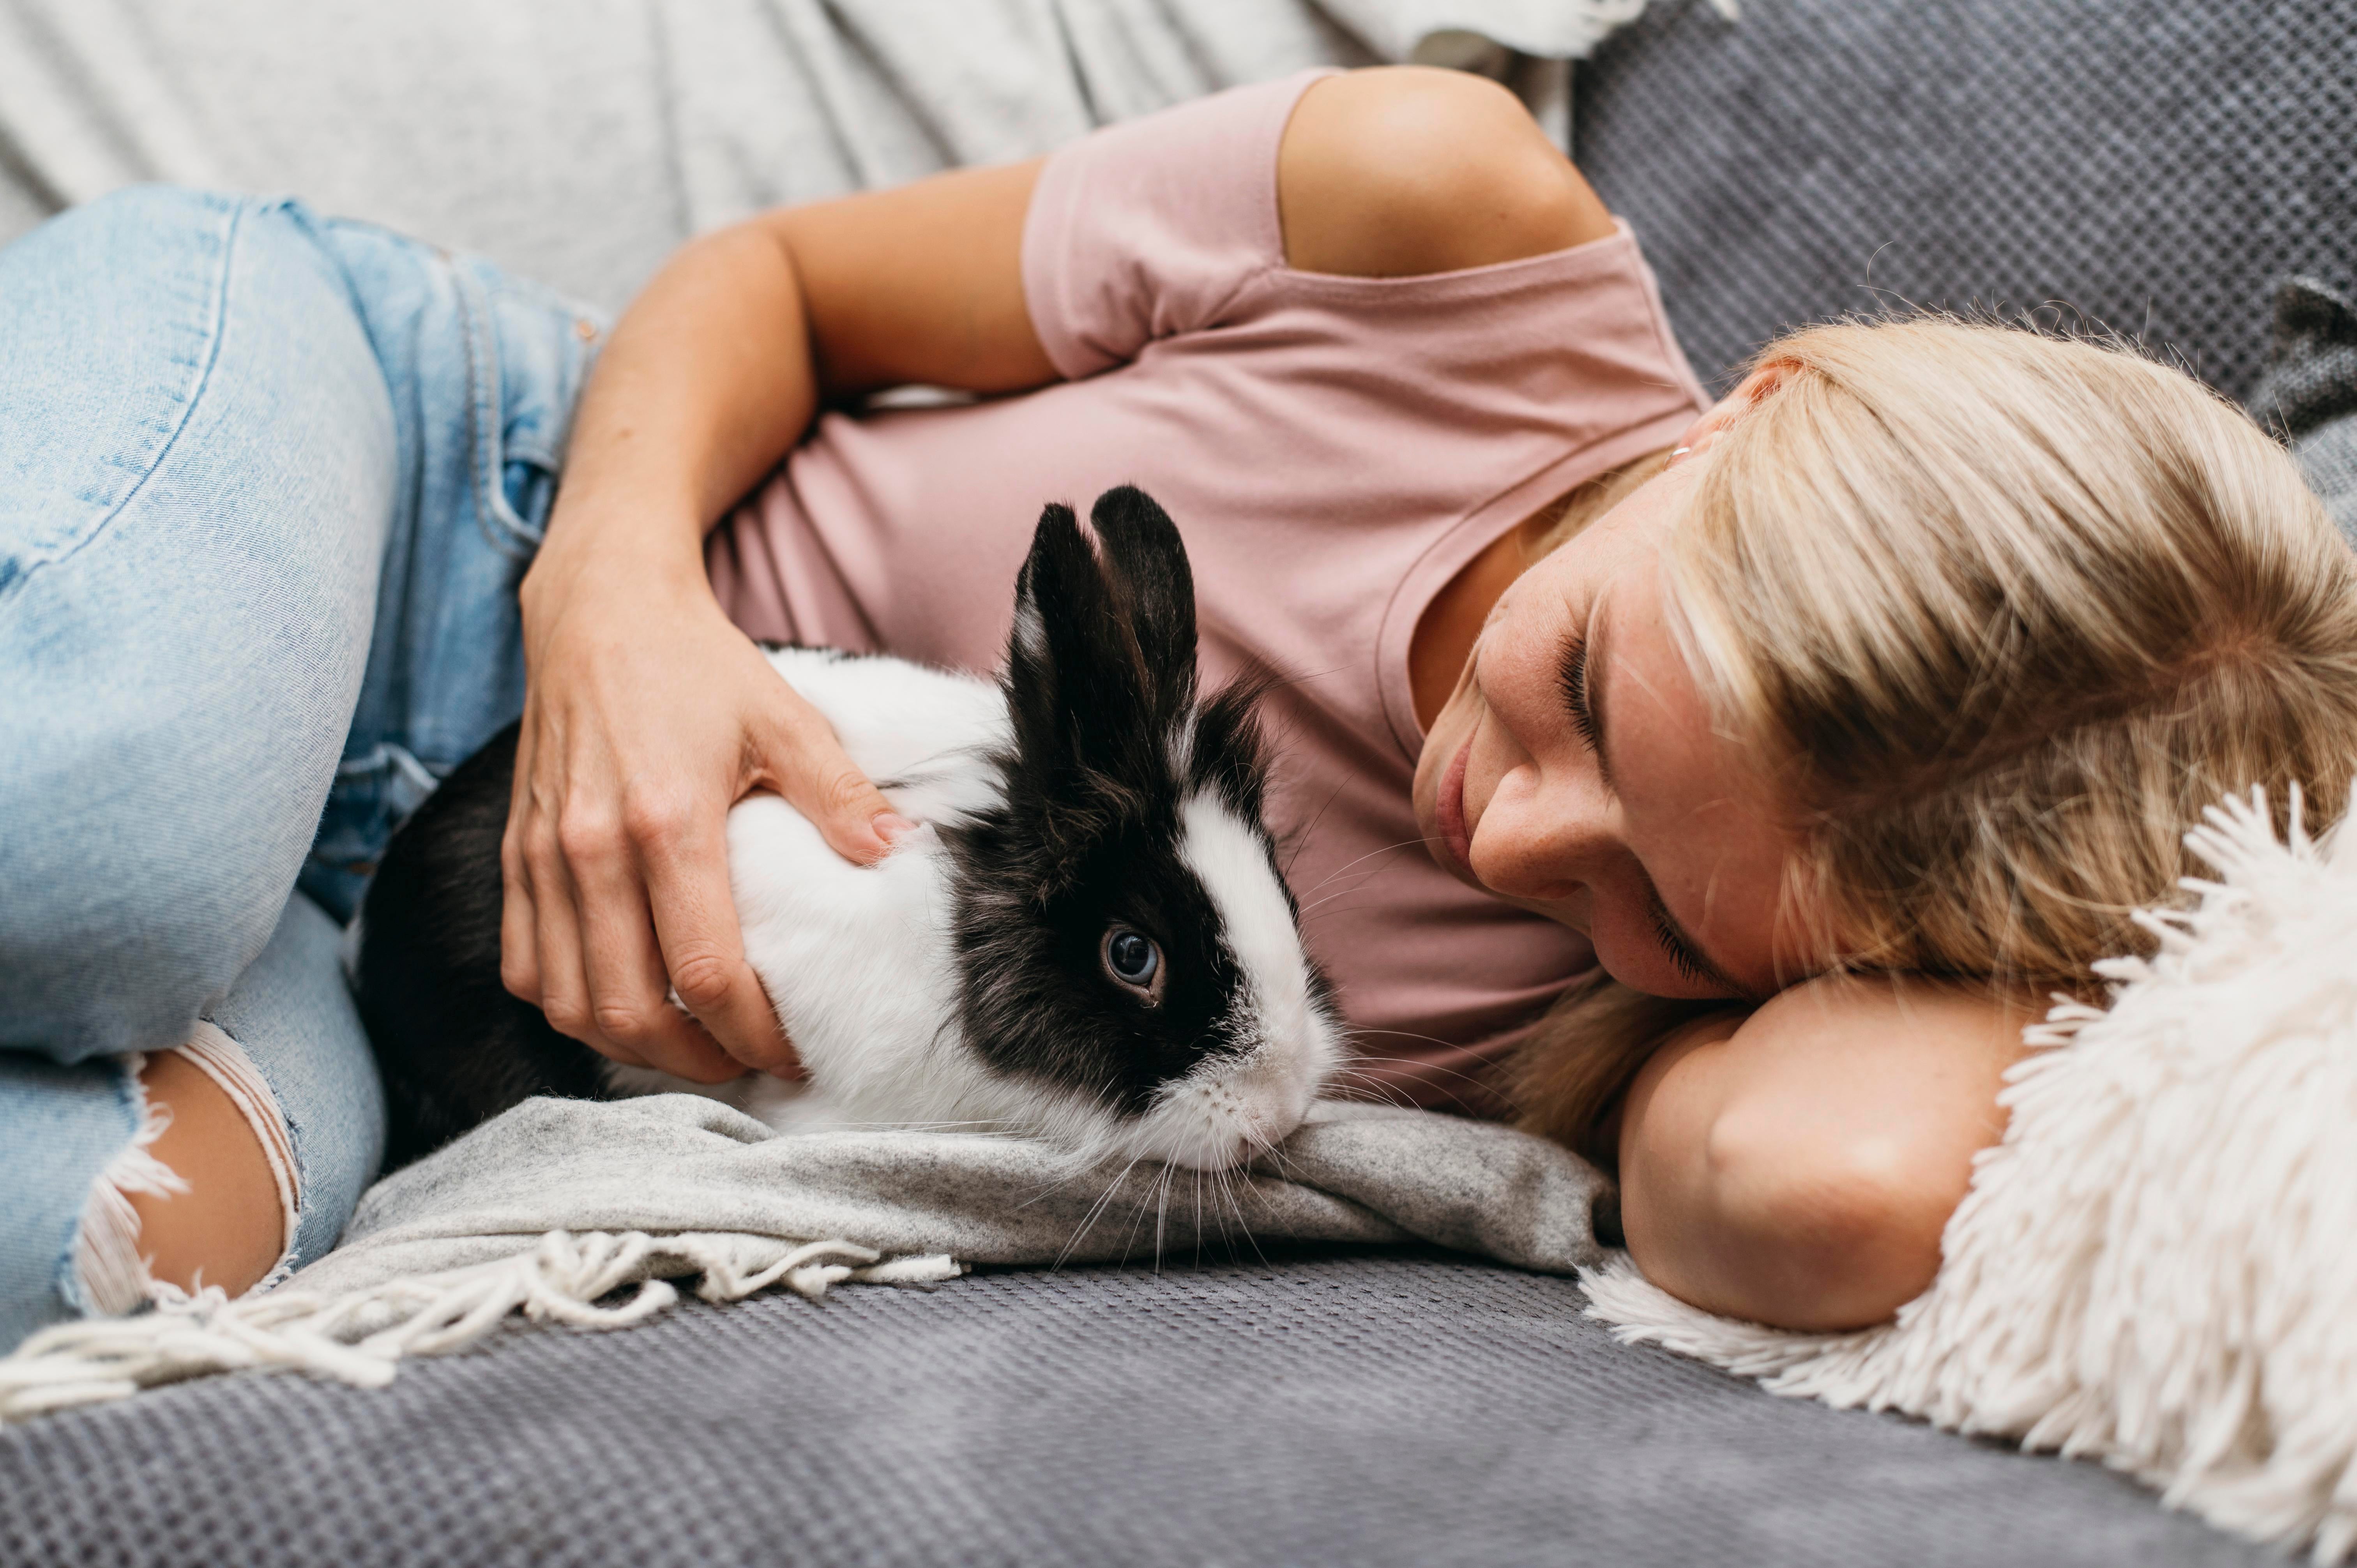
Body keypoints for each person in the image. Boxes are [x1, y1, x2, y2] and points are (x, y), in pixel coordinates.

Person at [4, 66, 2352, 1352]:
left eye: (1661, 902)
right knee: (95, 818)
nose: (1511, 834)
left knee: (66, 1234)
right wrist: (614, 592)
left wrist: (2012, 926)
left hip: (420, 990)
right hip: (439, 482)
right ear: (1760, 407)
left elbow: (1831, 1187)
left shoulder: (1657, 1044)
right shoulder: (1448, 225)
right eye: (1585, 694)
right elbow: (778, 283)